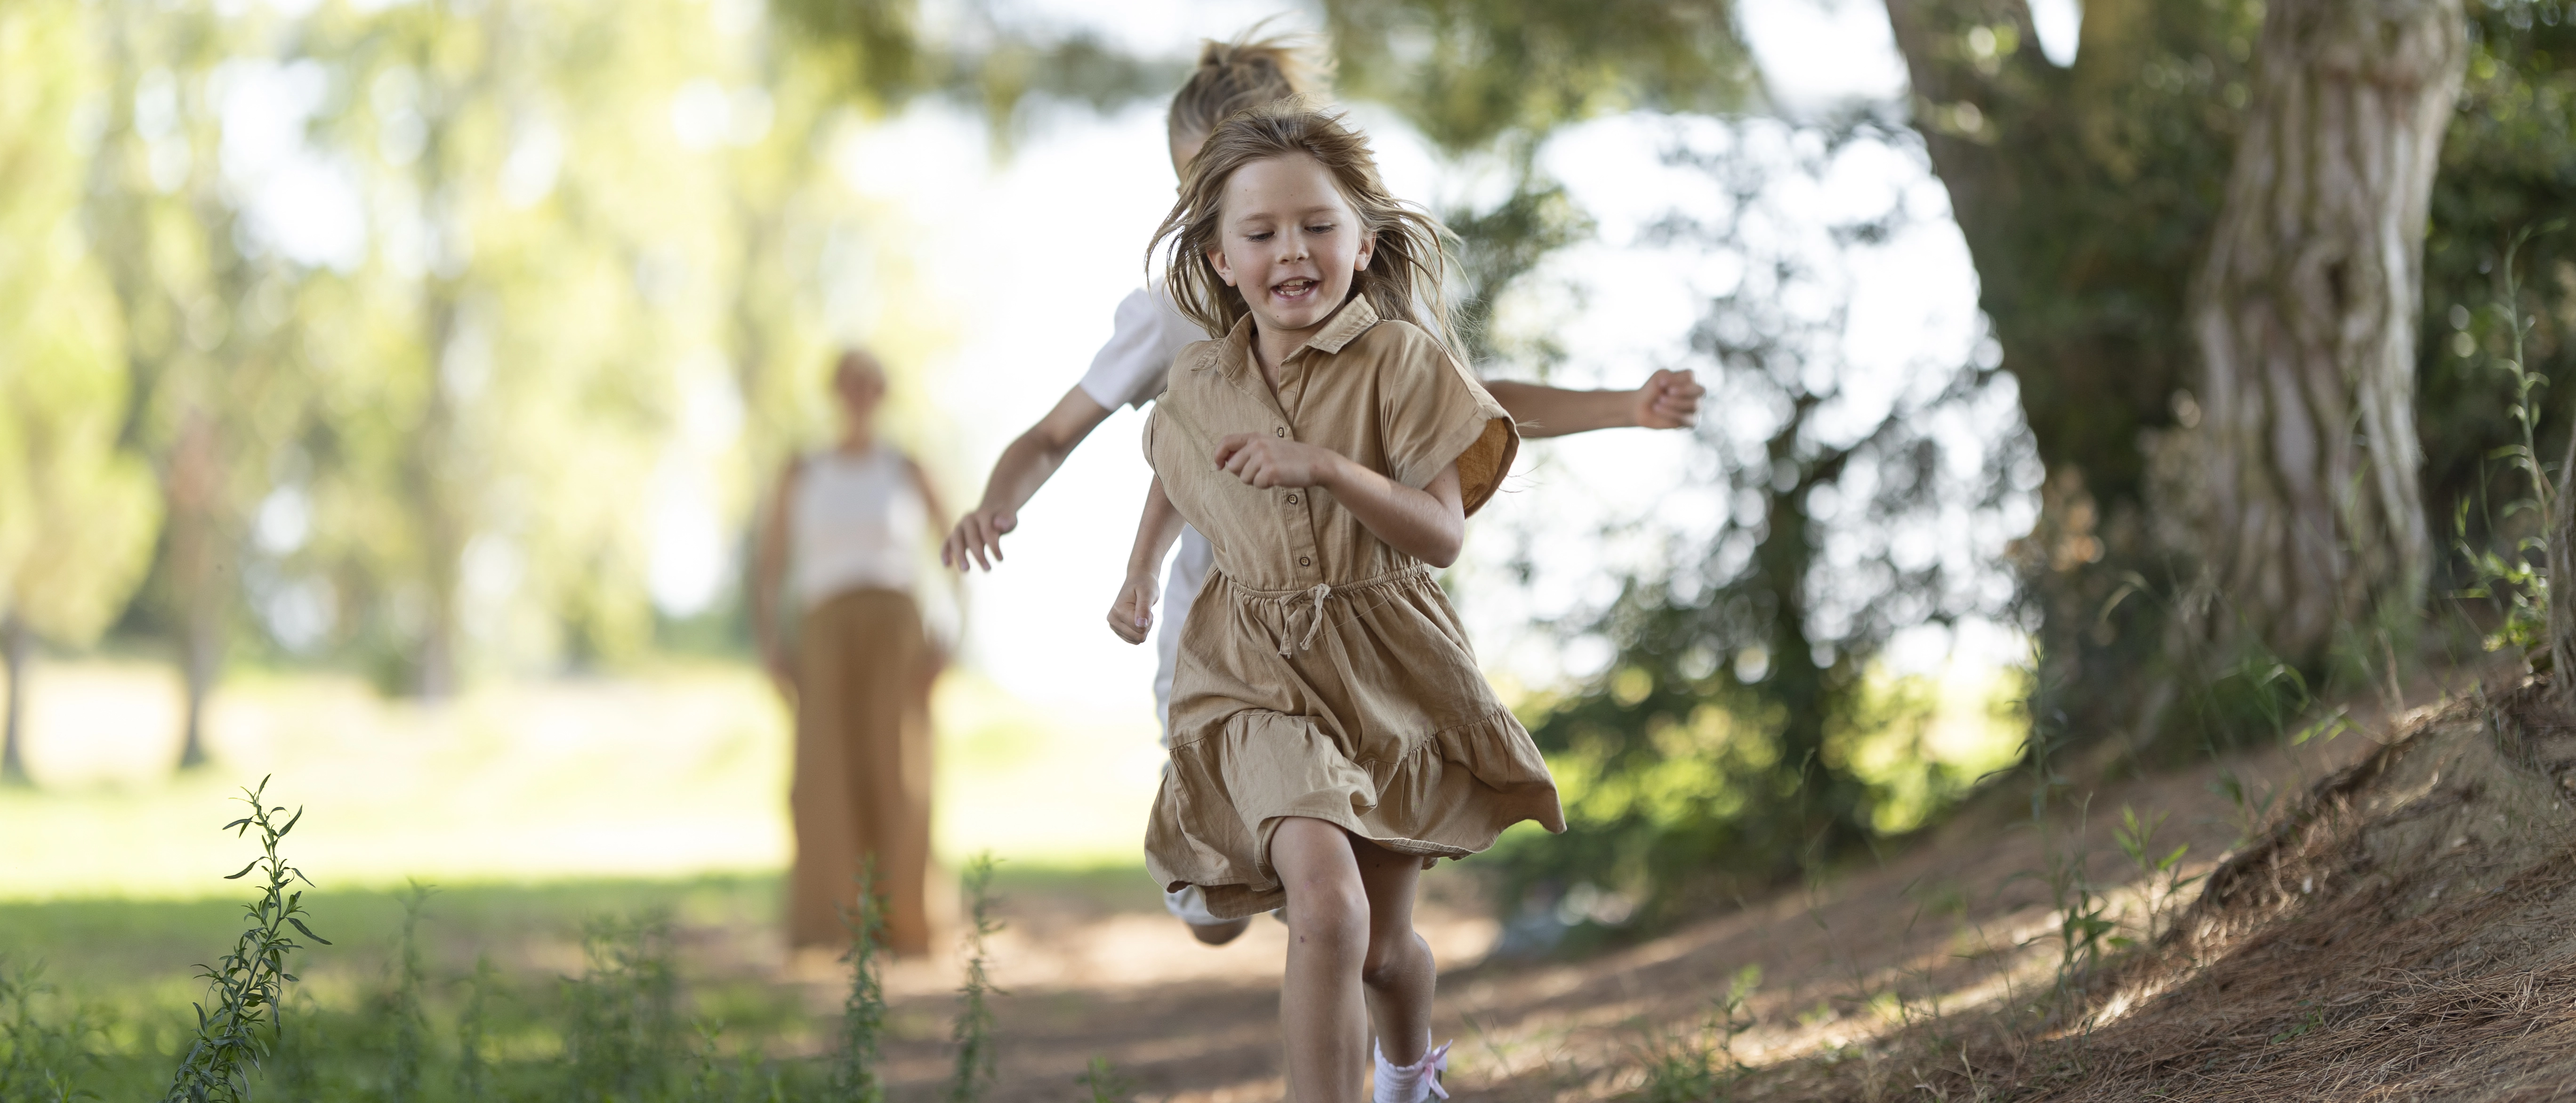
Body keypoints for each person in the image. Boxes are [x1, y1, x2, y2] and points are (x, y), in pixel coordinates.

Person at [940, 29, 1701, 948]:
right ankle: (1288, 885)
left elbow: (1471, 402)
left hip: (1359, 617)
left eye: (1279, 188)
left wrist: (1624, 405)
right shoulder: (1172, 316)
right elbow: (1071, 436)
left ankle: (1369, 1004)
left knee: (1346, 902)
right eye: (1213, 190)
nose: (1266, 224)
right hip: (1220, 624)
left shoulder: (1357, 291)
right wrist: (1008, 504)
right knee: (1217, 914)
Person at [1111, 100, 1557, 1103]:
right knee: (1327, 904)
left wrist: (1325, 469)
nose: (1293, 252)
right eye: (1260, 233)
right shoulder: (1198, 379)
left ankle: (1409, 1068)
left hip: (1387, 666)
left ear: (1362, 239)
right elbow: (1179, 470)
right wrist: (1140, 572)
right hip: (1249, 668)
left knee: (1385, 953)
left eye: (1318, 225)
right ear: (1222, 259)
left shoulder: (1401, 360)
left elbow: (1442, 534)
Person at [751, 350, 952, 959]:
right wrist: (770, 642)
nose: (860, 394)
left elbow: (953, 547)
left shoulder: (905, 467)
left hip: (896, 626)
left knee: (899, 769)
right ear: (835, 392)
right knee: (823, 773)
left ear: (883, 392)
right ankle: (828, 925)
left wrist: (949, 633)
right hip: (824, 627)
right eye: (850, 383)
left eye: (871, 383)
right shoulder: (802, 470)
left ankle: (907, 924)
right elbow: (771, 564)